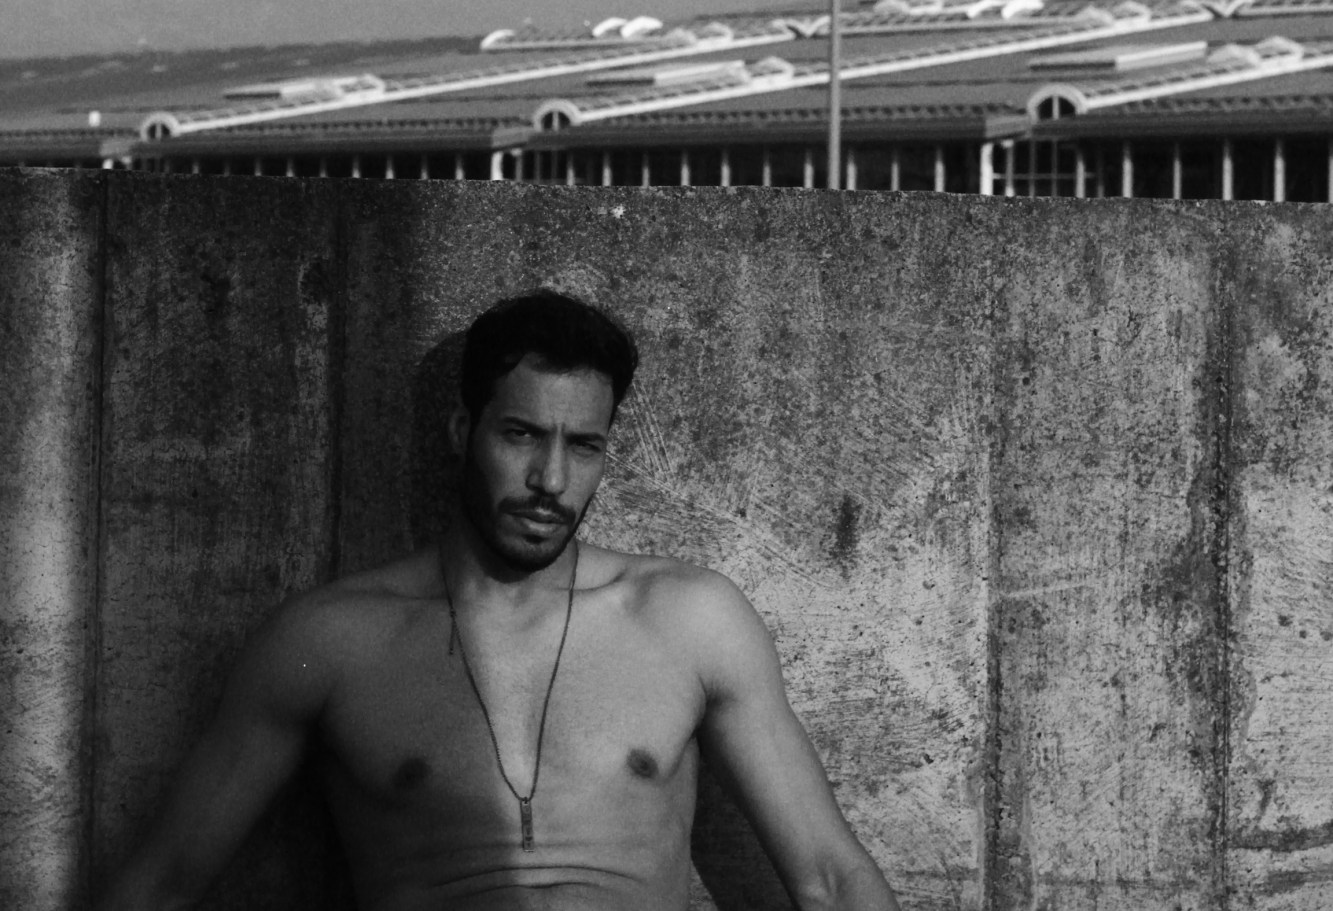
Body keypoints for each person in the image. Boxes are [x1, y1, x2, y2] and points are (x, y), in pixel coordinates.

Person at [96, 289, 901, 911]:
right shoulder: (332, 640)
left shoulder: (687, 618)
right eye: (521, 435)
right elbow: (162, 883)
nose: (551, 481)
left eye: (582, 446)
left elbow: (830, 879)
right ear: (462, 431)